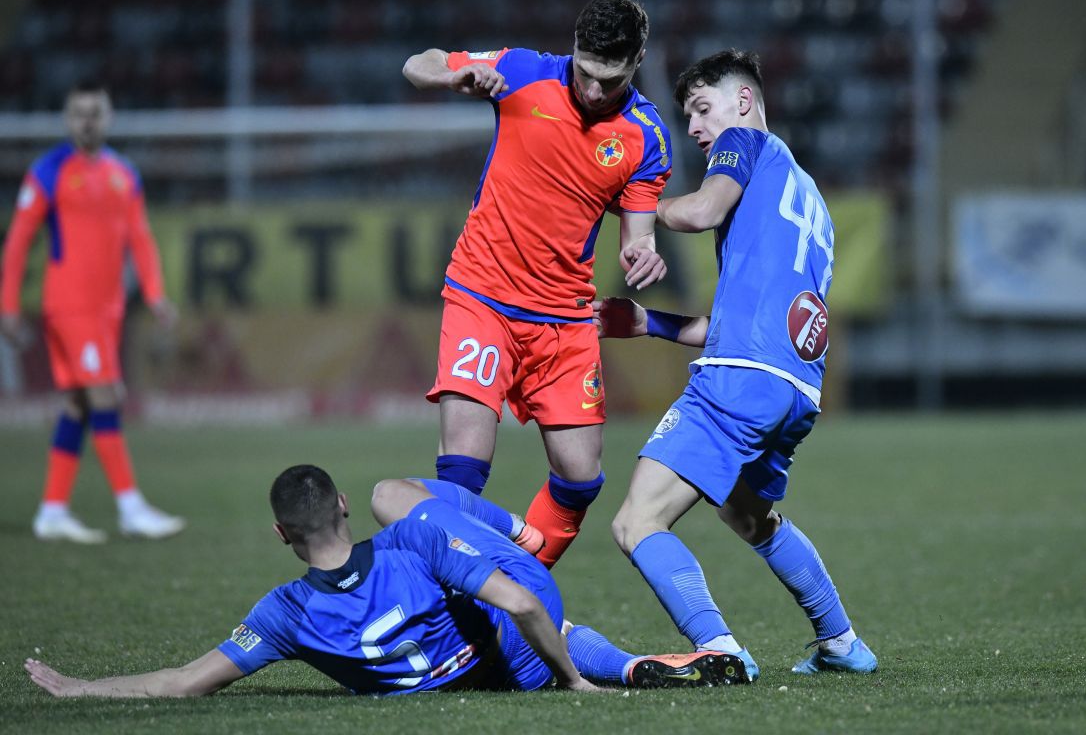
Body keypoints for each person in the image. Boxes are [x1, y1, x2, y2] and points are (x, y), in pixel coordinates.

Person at [596, 50, 878, 680]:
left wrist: (630, 202)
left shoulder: (745, 141)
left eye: (701, 108)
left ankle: (719, 646)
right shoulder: (808, 201)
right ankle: (841, 642)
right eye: (688, 115)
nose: (695, 127)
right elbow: (734, 327)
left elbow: (698, 213)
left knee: (636, 520)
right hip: (797, 389)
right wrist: (648, 324)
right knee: (748, 513)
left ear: (744, 102)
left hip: (741, 383)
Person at [24, 465, 748, 697]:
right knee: (393, 492)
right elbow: (522, 600)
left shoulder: (284, 616)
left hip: (478, 678)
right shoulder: (411, 548)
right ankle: (606, 652)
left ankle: (615, 660)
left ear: (283, 536)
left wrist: (76, 688)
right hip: (517, 637)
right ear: (335, 507)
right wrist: (573, 684)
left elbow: (182, 681)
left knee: (526, 622)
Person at [401, 0, 673, 569]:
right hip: (483, 296)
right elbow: (417, 63)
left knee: (580, 478)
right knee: (464, 467)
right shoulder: (522, 71)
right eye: (586, 73)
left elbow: (638, 232)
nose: (594, 90)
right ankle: (449, 603)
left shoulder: (646, 137)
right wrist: (454, 78)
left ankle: (509, 590)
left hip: (565, 318)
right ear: (572, 49)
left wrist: (645, 254)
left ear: (637, 62)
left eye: (611, 79)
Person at [1, 80, 183, 544]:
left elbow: (139, 237)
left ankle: (53, 511)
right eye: (79, 113)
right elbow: (19, 241)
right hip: (70, 306)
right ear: (67, 119)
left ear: (108, 117)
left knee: (79, 403)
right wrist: (7, 304)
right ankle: (129, 506)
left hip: (108, 309)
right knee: (106, 395)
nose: (87, 121)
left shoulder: (124, 173)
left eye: (94, 112)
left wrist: (155, 292)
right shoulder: (48, 171)